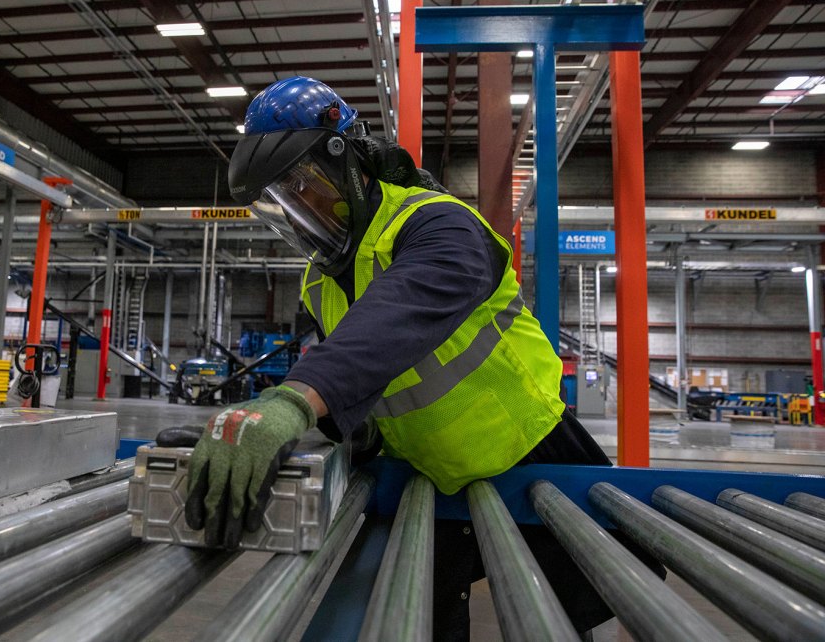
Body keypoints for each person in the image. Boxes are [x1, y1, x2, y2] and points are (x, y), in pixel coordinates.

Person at [181, 76, 662, 640]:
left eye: (303, 184)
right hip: (429, 481)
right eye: (283, 198)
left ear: (349, 162)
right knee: (420, 624)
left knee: (580, 621)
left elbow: (394, 316)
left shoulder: (436, 224)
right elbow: (360, 381)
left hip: (537, 462)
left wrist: (293, 400)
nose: (298, 208)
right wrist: (267, 430)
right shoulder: (320, 282)